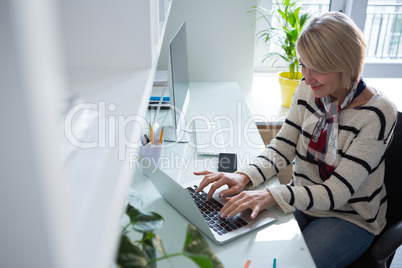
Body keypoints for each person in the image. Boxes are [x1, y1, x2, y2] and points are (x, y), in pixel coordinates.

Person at [194, 11, 398, 268]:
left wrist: (271, 194)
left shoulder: (377, 114)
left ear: (346, 65)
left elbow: (336, 194)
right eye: (303, 64)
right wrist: (244, 176)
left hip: (348, 217)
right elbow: (283, 146)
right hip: (302, 200)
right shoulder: (308, 90)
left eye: (319, 68)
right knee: (245, 251)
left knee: (288, 264)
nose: (307, 76)